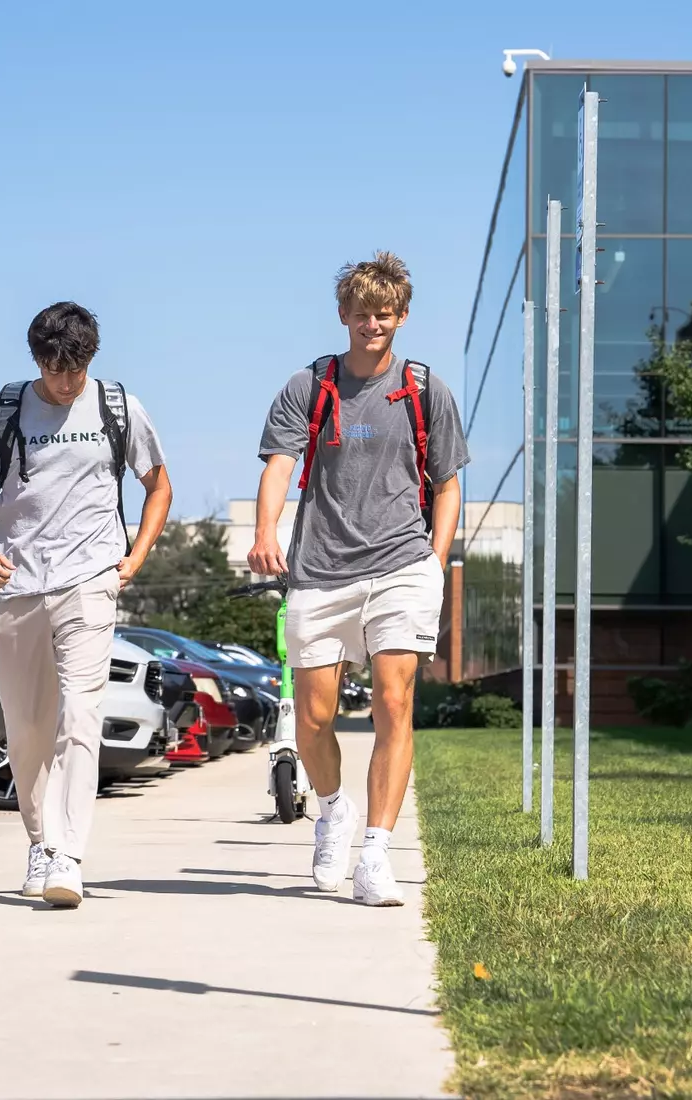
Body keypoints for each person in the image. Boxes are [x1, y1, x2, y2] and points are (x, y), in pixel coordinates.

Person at [248, 252, 467, 906]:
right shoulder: (308, 387)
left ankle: (376, 852)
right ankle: (334, 809)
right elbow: (280, 466)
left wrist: (434, 557)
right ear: (342, 315)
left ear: (401, 316)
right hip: (320, 569)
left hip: (401, 565)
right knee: (314, 718)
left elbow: (449, 484)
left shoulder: (427, 390)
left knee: (393, 705)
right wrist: (266, 532)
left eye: (384, 314)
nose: (372, 324)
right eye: (361, 313)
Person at [0, 301, 171, 908]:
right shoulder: (2, 408)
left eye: (75, 370)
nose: (65, 381)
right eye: (54, 370)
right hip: (18, 584)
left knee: (80, 716)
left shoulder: (117, 406)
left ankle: (68, 855)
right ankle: (39, 839)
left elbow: (159, 484)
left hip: (90, 578)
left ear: (91, 359)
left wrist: (137, 554)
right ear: (37, 360)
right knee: (25, 731)